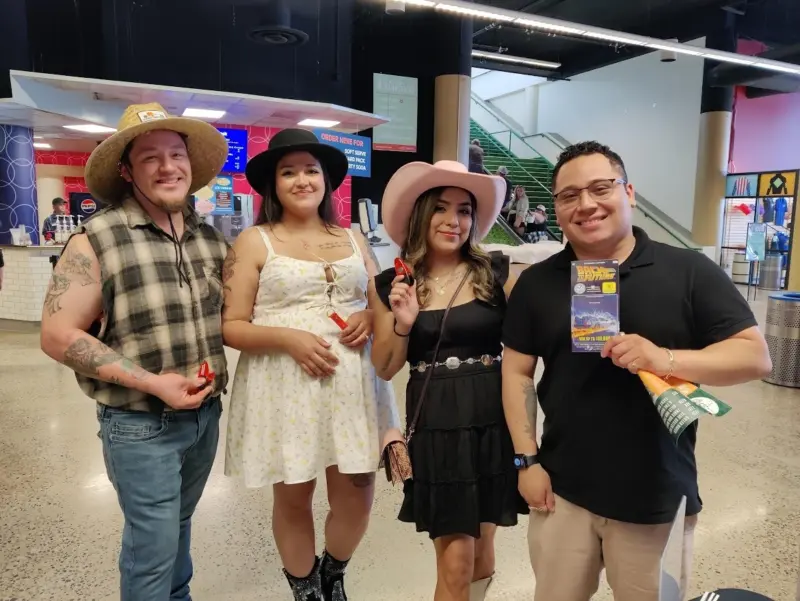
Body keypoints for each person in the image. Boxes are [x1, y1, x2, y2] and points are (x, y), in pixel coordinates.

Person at [501, 141, 772, 601]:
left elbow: (753, 356)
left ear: (629, 192)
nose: (586, 204)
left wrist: (664, 358)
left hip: (657, 494)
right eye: (569, 195)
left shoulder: (688, 271)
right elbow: (517, 374)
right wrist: (526, 461)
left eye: (600, 188)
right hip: (563, 490)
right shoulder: (537, 282)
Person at [39, 102, 230, 601]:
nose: (168, 167)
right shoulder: (96, 240)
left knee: (180, 532)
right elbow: (58, 334)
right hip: (141, 425)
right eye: (150, 158)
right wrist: (151, 382)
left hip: (206, 418)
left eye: (176, 154)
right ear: (127, 171)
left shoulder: (210, 241)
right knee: (152, 550)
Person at [221, 128, 399, 601]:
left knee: (358, 493)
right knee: (294, 492)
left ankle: (333, 571)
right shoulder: (254, 241)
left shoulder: (353, 236)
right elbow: (231, 325)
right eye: (288, 172)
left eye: (311, 170)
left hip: (354, 385)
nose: (302, 180)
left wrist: (366, 313)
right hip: (285, 386)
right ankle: (305, 589)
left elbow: (378, 300)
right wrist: (287, 338)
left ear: (327, 180)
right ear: (273, 185)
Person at [371, 160, 528, 601]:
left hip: (494, 422)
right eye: (441, 208)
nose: (452, 220)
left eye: (463, 211)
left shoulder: (496, 272)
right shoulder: (395, 283)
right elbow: (384, 367)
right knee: (456, 561)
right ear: (421, 215)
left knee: (484, 551)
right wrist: (403, 324)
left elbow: (550, 320)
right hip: (438, 426)